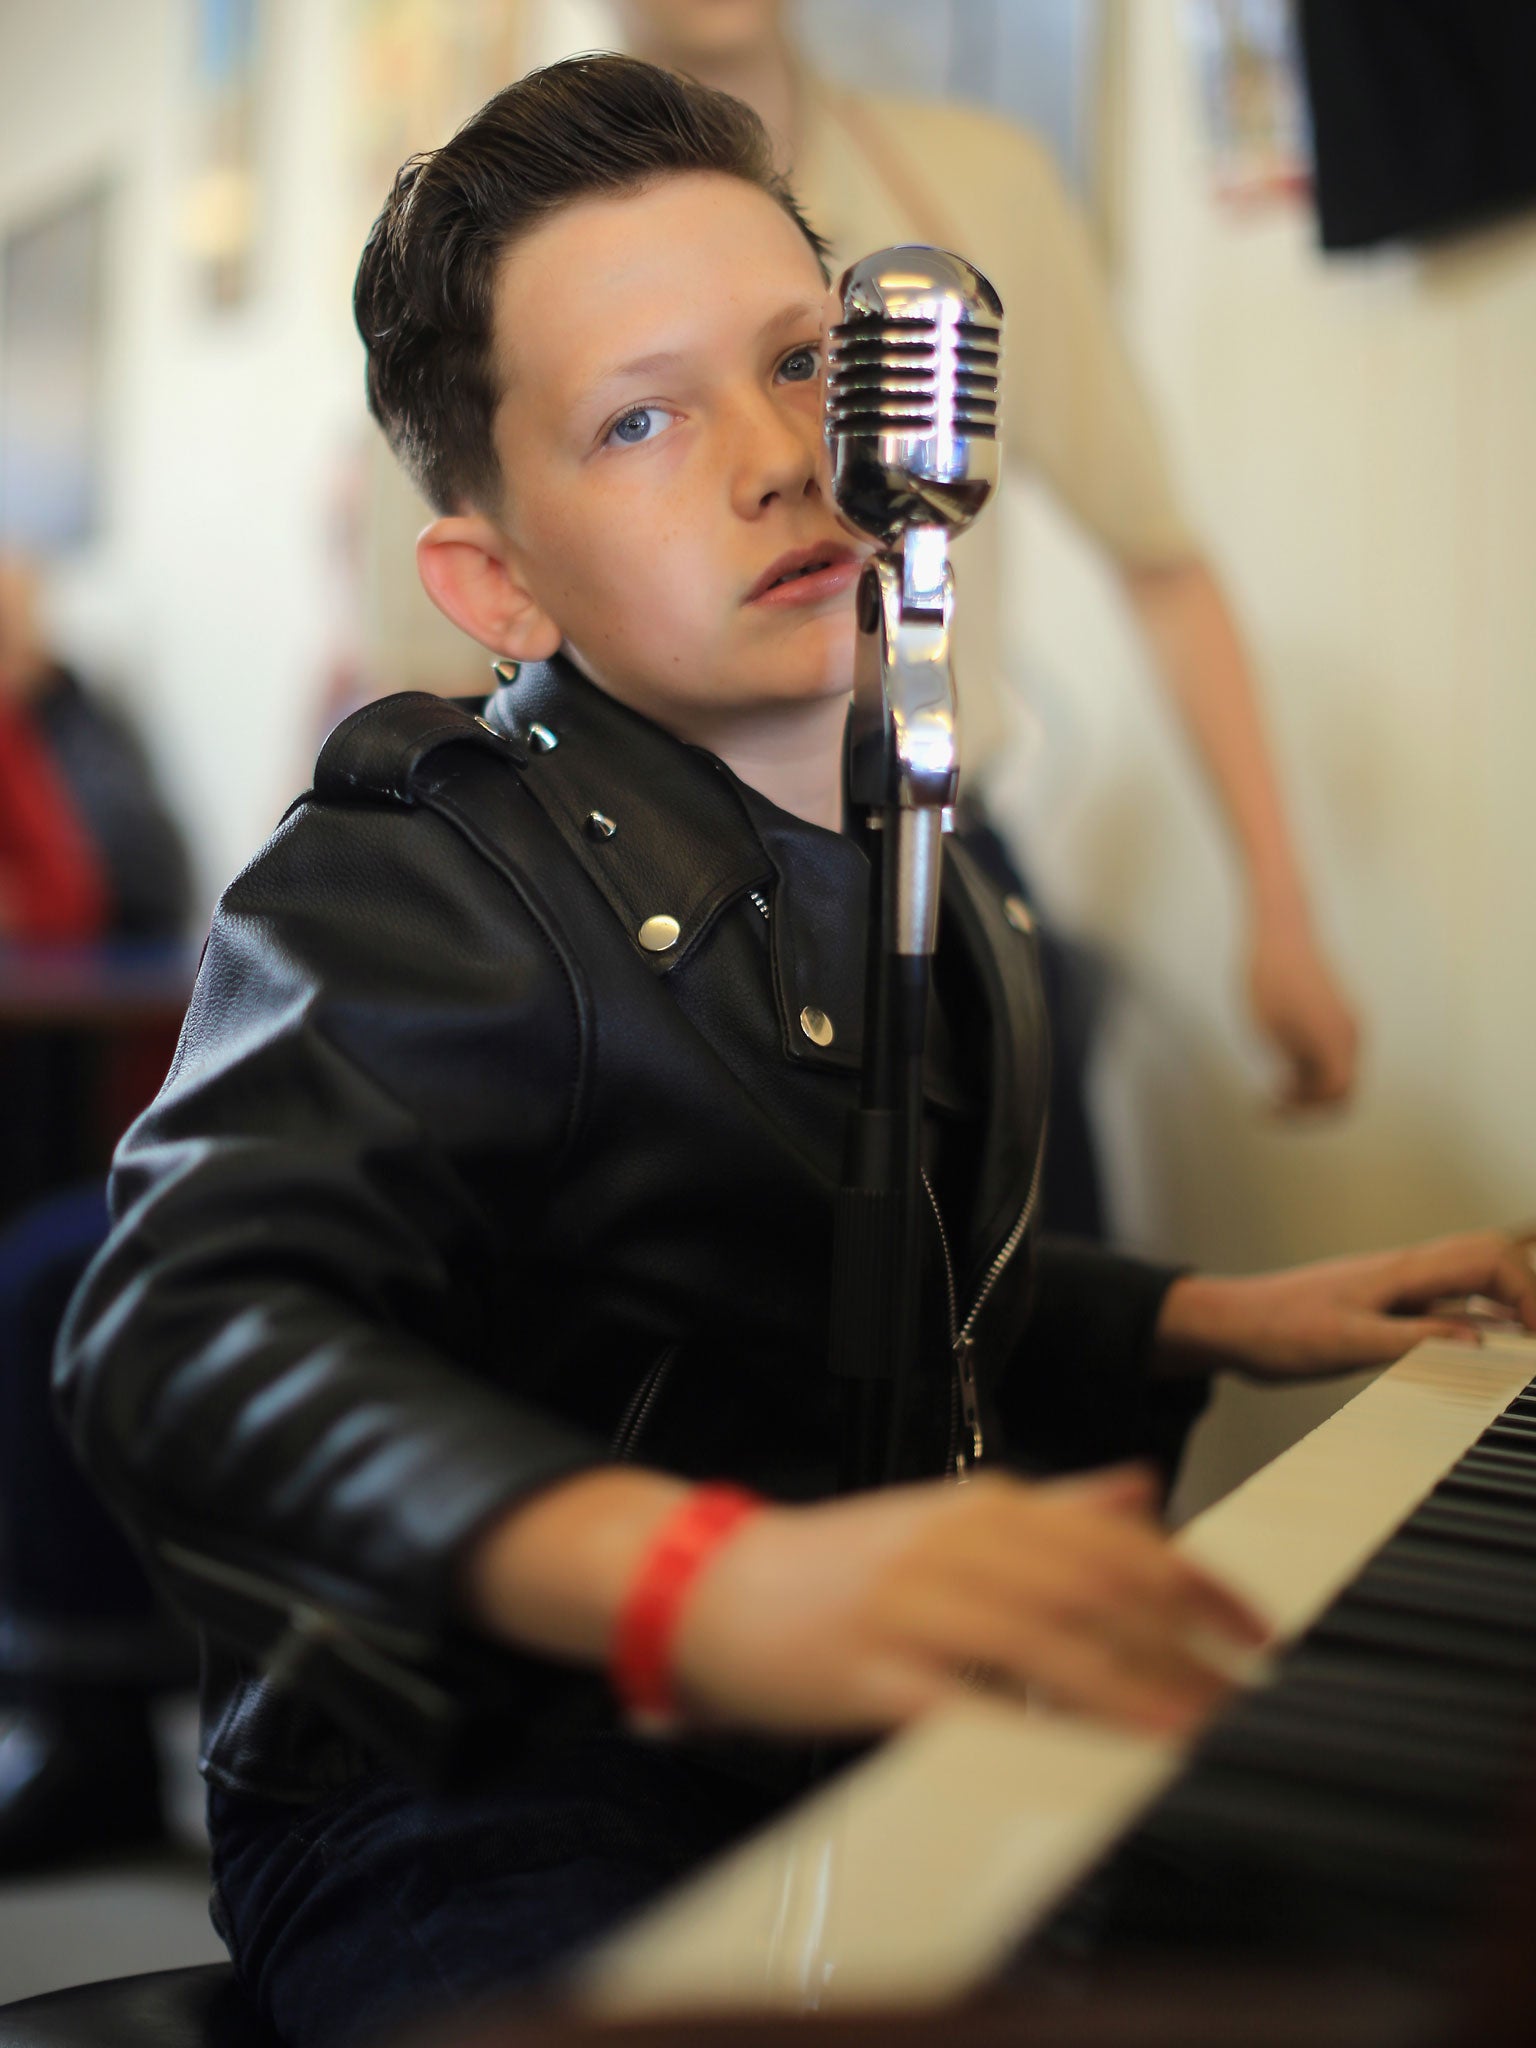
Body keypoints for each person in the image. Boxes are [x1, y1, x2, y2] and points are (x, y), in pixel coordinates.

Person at [56, 58, 1536, 2048]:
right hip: (480, 1803)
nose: (774, 455)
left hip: (825, 1737)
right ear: (495, 583)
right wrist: (695, 1586)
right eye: (641, 416)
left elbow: (808, 1284)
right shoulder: (408, 888)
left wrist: (1203, 1312)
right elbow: (177, 1326)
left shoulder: (928, 855)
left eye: (798, 365)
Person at [614, 0, 1361, 1135]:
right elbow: (429, 667)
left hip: (939, 868)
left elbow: (1161, 563)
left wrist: (1282, 911)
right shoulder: (483, 248)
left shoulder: (976, 190)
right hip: (633, 907)